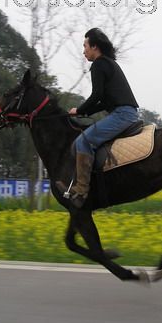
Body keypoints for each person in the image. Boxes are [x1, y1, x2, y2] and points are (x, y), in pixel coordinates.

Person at [62, 28, 140, 208]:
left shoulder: (98, 64)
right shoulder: (109, 63)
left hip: (122, 114)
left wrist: (79, 110)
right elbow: (104, 100)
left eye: (85, 46)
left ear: (95, 47)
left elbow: (96, 95)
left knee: (83, 142)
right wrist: (83, 112)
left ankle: (81, 191)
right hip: (125, 112)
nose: (84, 51)